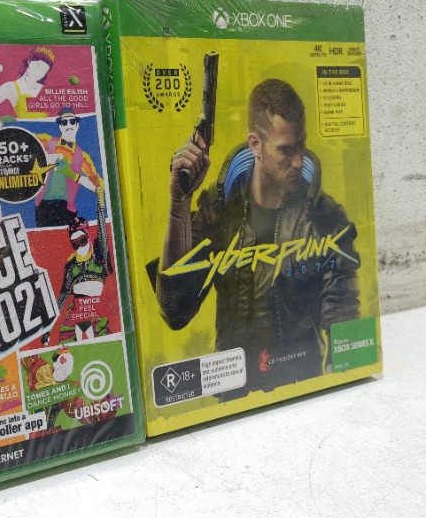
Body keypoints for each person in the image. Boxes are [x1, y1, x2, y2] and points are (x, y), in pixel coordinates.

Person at [148, 79, 360, 391]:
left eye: (300, 146)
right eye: (285, 150)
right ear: (255, 145)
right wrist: (179, 202)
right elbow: (174, 311)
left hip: (303, 383)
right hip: (233, 390)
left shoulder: (324, 217)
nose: (298, 161)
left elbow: (344, 313)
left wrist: (343, 380)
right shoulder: (218, 211)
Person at [43, 208, 113, 345]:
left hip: (96, 309)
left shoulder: (99, 255)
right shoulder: (72, 267)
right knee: (66, 346)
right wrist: (48, 329)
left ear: (87, 236)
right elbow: (62, 298)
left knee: (106, 345)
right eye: (74, 243)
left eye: (81, 240)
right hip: (76, 311)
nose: (79, 247)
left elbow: (102, 231)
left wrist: (100, 205)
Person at [34, 107, 103, 228]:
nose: (68, 125)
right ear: (60, 126)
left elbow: (98, 186)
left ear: (77, 125)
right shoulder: (47, 141)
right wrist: (45, 158)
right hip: (43, 207)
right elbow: (24, 141)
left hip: (67, 210)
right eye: (64, 122)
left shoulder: (82, 156)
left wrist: (72, 175)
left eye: (72, 121)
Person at [0, 47, 54, 118]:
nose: (39, 71)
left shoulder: (45, 90)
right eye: (38, 64)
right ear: (29, 61)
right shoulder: (11, 87)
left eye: (43, 71)